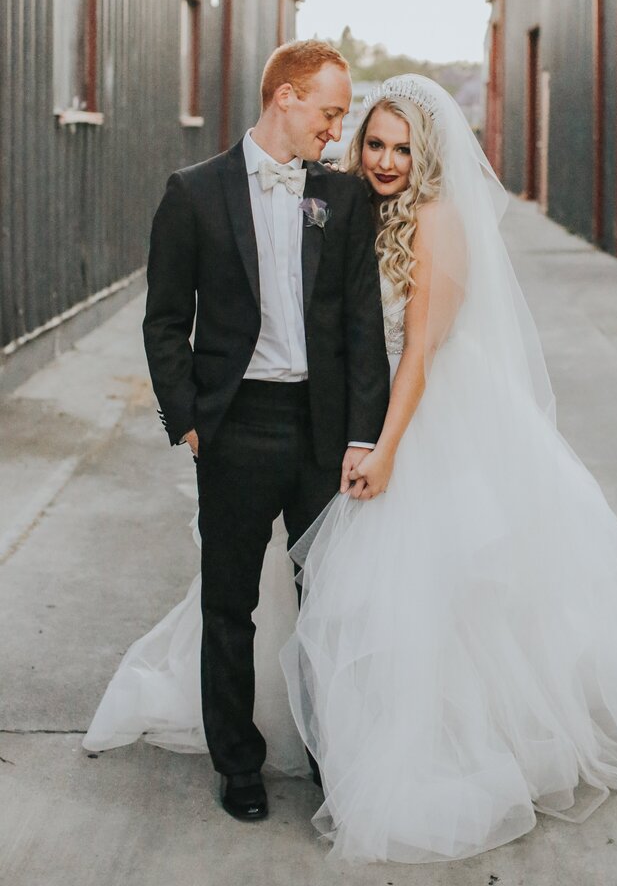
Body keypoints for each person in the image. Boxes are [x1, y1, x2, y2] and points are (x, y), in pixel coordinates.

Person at [277, 74, 617, 863]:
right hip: (381, 409)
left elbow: (419, 354)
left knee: (436, 592)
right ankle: (355, 737)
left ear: (429, 153)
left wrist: (387, 448)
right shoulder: (361, 209)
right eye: (374, 143)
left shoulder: (439, 220)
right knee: (379, 594)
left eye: (403, 148)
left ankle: (443, 748)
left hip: (433, 417)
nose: (384, 160)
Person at [82, 41, 390, 824]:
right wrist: (186, 417)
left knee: (328, 600)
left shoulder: (345, 199)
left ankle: (332, 758)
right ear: (285, 96)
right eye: (329, 109)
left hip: (323, 432)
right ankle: (238, 765)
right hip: (235, 427)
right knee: (230, 605)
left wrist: (363, 435)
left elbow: (362, 329)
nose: (337, 126)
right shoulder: (193, 193)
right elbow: (164, 321)